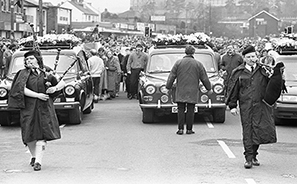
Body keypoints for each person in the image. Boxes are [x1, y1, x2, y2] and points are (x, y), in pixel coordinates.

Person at [8, 50, 65, 171]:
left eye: (31, 59)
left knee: (42, 134)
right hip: (29, 107)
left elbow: (62, 83)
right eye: (27, 60)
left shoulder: (47, 71)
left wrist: (54, 88)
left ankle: (38, 161)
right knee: (29, 135)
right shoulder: (22, 73)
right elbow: (21, 89)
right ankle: (33, 156)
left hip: (45, 108)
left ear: (37, 59)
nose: (28, 61)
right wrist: (37, 95)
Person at [226, 45, 279, 169]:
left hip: (261, 106)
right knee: (248, 131)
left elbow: (272, 86)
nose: (251, 59)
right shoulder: (238, 72)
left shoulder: (263, 70)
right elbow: (233, 89)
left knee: (259, 130)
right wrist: (232, 106)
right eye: (248, 57)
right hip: (246, 107)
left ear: (257, 57)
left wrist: (276, 74)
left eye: (253, 56)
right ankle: (248, 158)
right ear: (244, 58)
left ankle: (254, 154)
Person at [166, 45, 212, 135]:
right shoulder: (198, 64)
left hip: (181, 89)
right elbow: (204, 78)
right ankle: (189, 129)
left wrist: (168, 87)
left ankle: (180, 129)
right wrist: (209, 88)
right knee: (191, 110)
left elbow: (171, 76)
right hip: (193, 90)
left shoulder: (178, 63)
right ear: (193, 52)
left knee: (180, 109)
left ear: (185, 52)